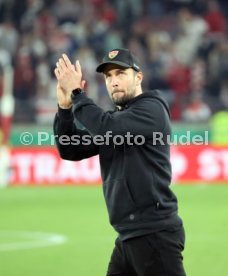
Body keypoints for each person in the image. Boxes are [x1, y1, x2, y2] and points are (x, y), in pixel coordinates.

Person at [53, 48, 186, 276]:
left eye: (120, 73)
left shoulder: (152, 109)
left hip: (155, 235)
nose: (113, 81)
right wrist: (65, 110)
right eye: (108, 76)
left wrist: (77, 92)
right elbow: (70, 148)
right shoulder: (115, 120)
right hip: (128, 237)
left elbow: (107, 128)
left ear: (139, 77)